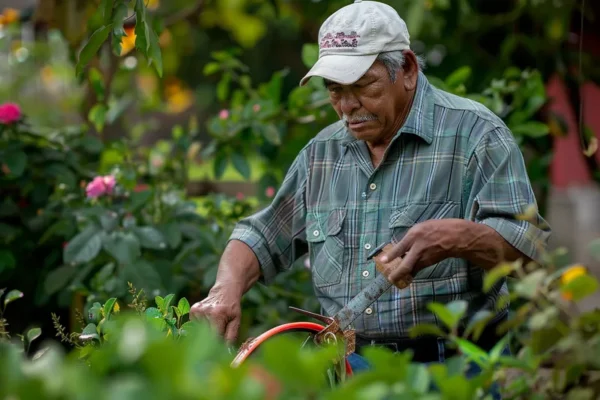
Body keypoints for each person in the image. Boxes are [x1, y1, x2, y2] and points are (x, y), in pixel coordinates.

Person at [191, 0, 551, 396]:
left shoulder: (477, 135)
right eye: (334, 90)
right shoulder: (321, 155)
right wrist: (224, 290)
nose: (346, 107)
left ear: (408, 71)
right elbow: (261, 235)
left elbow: (529, 247)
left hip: (455, 373)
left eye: (363, 87)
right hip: (350, 375)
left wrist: (459, 237)